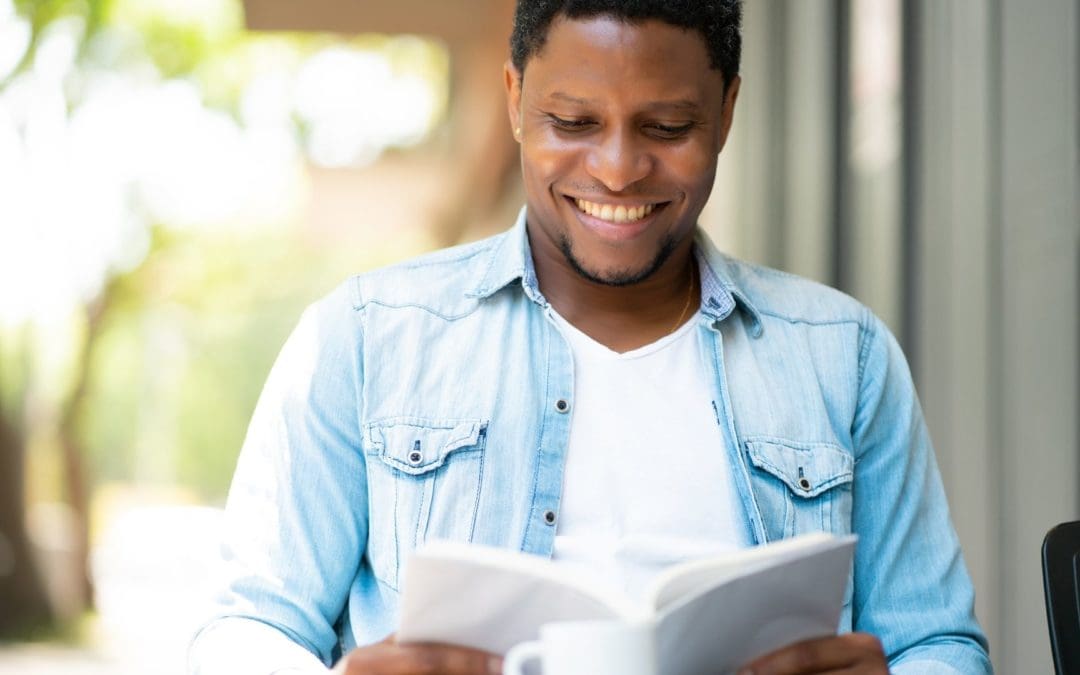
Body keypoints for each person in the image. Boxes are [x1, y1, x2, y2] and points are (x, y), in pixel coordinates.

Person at [188, 1, 992, 673]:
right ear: (512, 99)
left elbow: (940, 642)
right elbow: (242, 629)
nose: (616, 169)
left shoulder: (842, 355)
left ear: (728, 112)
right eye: (571, 121)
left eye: (669, 126)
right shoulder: (364, 340)